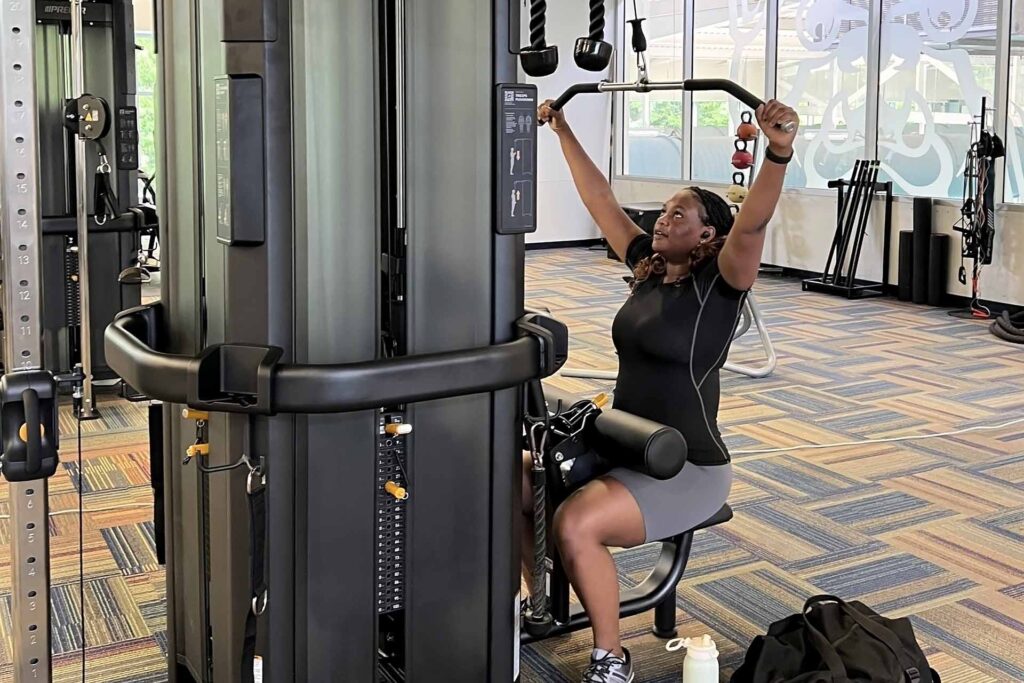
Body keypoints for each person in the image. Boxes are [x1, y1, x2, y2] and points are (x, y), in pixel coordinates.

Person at [524, 98, 798, 683]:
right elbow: (599, 198)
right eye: (665, 212)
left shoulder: (720, 284)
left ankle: (610, 658)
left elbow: (752, 222)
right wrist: (562, 130)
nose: (664, 220)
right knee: (514, 478)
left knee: (575, 523)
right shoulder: (649, 265)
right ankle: (538, 603)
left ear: (708, 234)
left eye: (680, 214)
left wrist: (777, 152)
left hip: (688, 466)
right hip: (628, 445)